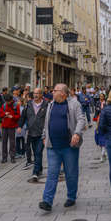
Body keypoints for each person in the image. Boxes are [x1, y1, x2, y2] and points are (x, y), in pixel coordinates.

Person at [39, 83, 86, 212]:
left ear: (63, 94)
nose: (52, 92)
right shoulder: (51, 105)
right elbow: (46, 122)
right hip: (53, 146)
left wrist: (77, 133)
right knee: (52, 174)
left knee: (71, 173)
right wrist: (44, 136)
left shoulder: (74, 104)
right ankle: (47, 201)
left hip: (69, 146)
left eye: (55, 90)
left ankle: (71, 197)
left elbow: (81, 119)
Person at [17, 88, 48, 181]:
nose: (35, 95)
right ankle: (40, 169)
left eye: (38, 93)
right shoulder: (28, 105)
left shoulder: (46, 105)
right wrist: (19, 126)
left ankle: (35, 172)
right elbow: (23, 116)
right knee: (36, 152)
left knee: (38, 152)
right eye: (34, 93)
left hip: (42, 133)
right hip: (31, 133)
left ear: (41, 95)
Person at [0, 94, 20, 163]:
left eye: (9, 101)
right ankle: (4, 157)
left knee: (12, 142)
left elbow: (18, 116)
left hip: (12, 126)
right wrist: (5, 114)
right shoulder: (4, 105)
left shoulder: (16, 105)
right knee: (4, 142)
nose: (8, 102)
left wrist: (13, 117)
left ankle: (12, 157)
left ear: (12, 100)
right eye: (6, 101)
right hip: (4, 126)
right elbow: (0, 114)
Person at [94, 93, 107, 161]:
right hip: (99, 119)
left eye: (102, 96)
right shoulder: (97, 102)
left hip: (104, 120)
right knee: (99, 135)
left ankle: (103, 153)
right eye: (100, 96)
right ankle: (103, 152)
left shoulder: (106, 103)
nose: (101, 97)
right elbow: (96, 111)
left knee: (103, 137)